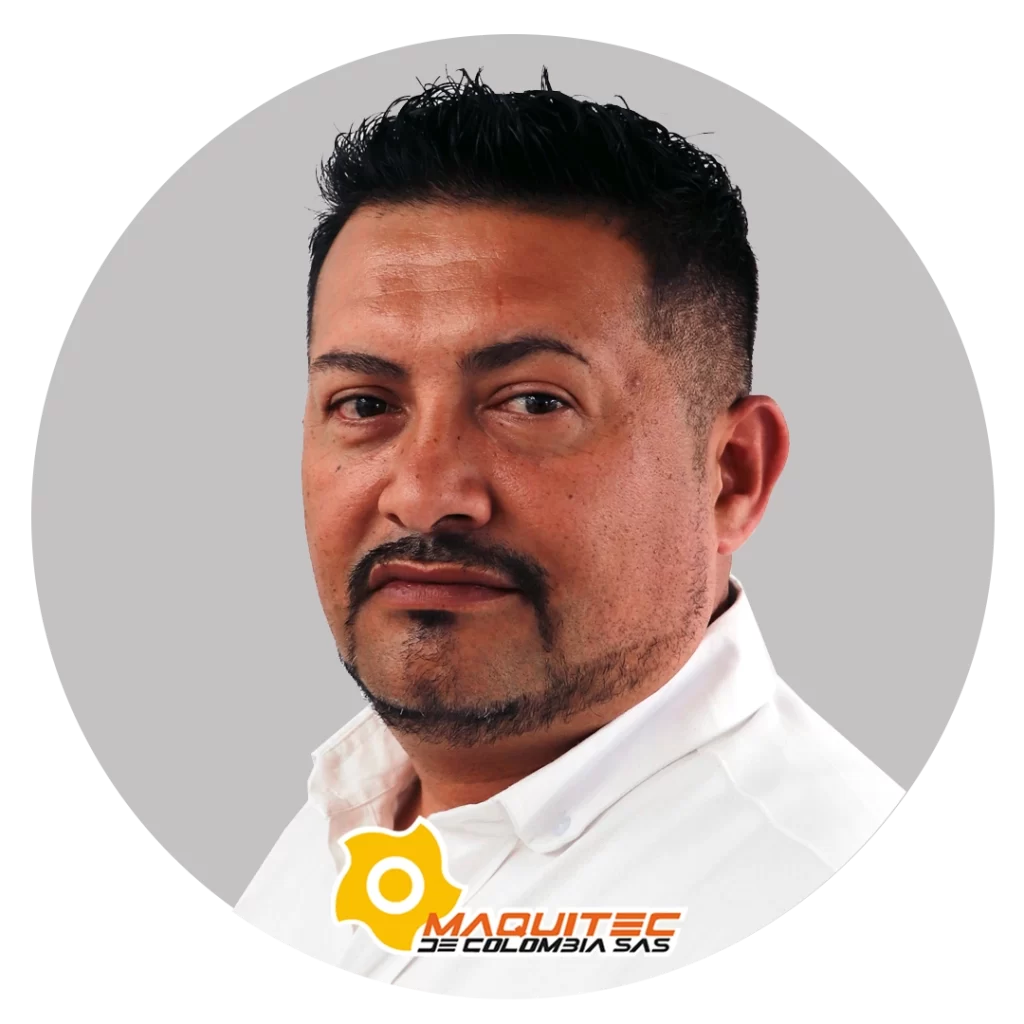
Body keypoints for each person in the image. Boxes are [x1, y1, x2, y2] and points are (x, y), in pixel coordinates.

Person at [232, 68, 905, 996]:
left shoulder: (796, 877)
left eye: (534, 402)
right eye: (365, 403)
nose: (423, 495)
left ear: (732, 475)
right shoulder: (353, 807)